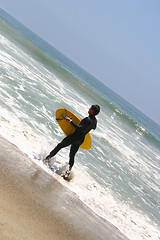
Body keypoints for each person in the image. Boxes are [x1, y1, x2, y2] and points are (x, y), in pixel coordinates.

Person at [44, 105, 100, 174]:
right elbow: (93, 127)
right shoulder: (94, 121)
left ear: (93, 111)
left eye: (90, 108)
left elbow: (79, 128)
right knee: (72, 155)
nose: (89, 109)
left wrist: (70, 121)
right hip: (81, 140)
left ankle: (46, 159)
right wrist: (84, 124)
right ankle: (67, 173)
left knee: (59, 146)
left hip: (75, 136)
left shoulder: (87, 119)